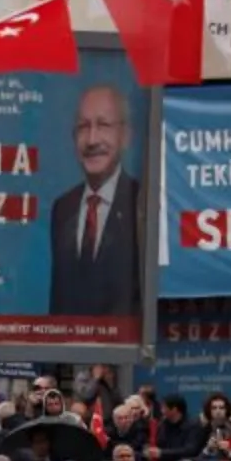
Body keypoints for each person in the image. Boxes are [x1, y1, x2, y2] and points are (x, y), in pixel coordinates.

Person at [47, 84, 142, 321]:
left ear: (126, 136)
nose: (91, 139)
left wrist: (113, 360)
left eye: (103, 125)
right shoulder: (63, 209)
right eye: (83, 127)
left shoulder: (142, 203)